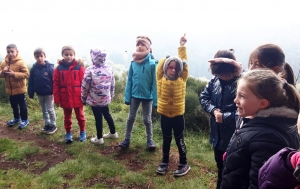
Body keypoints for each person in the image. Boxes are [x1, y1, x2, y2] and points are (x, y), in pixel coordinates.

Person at [221, 69, 300, 189]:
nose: (235, 100)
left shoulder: (268, 138)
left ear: (263, 104)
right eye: (237, 94)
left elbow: (260, 182)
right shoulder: (254, 120)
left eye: (242, 96)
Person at [200, 50, 243, 189]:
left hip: (236, 137)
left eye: (227, 74)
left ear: (234, 70)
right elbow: (204, 98)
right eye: (220, 74)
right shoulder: (214, 81)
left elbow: (246, 110)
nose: (223, 77)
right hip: (217, 137)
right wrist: (212, 110)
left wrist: (224, 117)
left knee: (233, 170)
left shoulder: (242, 83)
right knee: (220, 166)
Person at [155, 34, 191, 177]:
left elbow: (184, 63)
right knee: (166, 138)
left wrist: (181, 47)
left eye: (175, 68)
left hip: (178, 115)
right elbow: (159, 67)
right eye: (169, 67)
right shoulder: (160, 79)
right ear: (165, 68)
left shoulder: (182, 78)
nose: (172, 70)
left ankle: (184, 163)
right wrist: (167, 58)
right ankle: (164, 161)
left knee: (179, 138)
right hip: (165, 115)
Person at [248, 43, 300, 134]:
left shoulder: (277, 92)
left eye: (257, 64)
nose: (251, 69)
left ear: (275, 69)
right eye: (251, 63)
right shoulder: (258, 87)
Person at [118, 35, 157, 149]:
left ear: (148, 47)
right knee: (130, 118)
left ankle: (150, 141)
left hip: (147, 96)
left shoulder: (153, 63)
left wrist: (156, 100)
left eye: (143, 44)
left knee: (147, 119)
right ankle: (126, 140)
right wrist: (127, 96)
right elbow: (129, 80)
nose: (140, 46)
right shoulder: (133, 63)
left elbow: (155, 83)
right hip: (134, 95)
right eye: (138, 44)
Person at [81, 48, 118, 145]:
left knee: (98, 118)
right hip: (106, 98)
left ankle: (99, 138)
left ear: (93, 57)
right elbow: (112, 84)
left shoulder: (90, 70)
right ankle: (113, 132)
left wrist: (83, 98)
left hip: (95, 100)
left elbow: (85, 86)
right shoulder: (109, 68)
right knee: (107, 114)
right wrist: (111, 95)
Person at [53, 46, 86, 143]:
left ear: (74, 55)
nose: (68, 57)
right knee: (67, 117)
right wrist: (57, 99)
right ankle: (68, 133)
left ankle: (82, 132)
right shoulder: (58, 69)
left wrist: (85, 97)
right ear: (62, 55)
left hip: (77, 97)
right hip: (65, 97)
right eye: (66, 54)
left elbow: (84, 83)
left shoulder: (80, 67)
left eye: (71, 54)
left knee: (80, 115)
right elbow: (55, 84)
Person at [0, 44, 29, 129]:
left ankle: (25, 120)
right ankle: (17, 118)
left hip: (20, 89)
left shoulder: (21, 62)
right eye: (8, 52)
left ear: (17, 52)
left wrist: (14, 74)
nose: (10, 54)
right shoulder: (4, 62)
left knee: (22, 105)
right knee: (13, 105)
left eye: (12, 51)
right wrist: (3, 72)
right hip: (10, 90)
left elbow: (26, 74)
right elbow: (0, 73)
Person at [28, 48, 57, 134]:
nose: (39, 58)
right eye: (37, 56)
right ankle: (47, 123)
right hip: (40, 93)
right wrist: (31, 92)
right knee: (44, 110)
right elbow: (31, 82)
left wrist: (55, 91)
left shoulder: (50, 68)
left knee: (50, 109)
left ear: (45, 56)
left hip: (49, 93)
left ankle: (53, 124)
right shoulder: (34, 69)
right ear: (35, 57)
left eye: (41, 56)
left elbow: (54, 81)